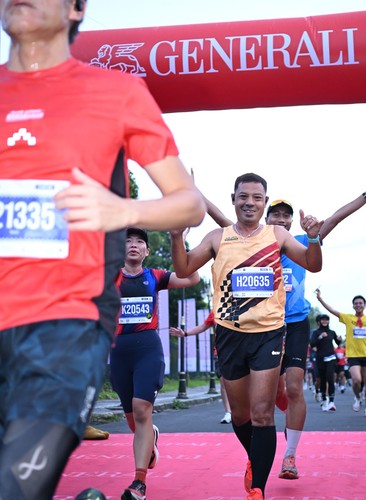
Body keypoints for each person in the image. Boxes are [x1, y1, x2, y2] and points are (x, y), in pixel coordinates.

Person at [0, 3, 205, 499]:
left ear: (76, 7)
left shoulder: (117, 93)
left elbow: (190, 203)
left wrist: (121, 210)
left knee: (16, 485)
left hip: (66, 323)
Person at [205, 173, 366, 479]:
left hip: (295, 323)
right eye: (275, 214)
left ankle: (289, 455)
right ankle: (267, 439)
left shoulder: (300, 242)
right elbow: (220, 217)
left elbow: (336, 218)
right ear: (266, 216)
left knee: (293, 388)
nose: (280, 219)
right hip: (262, 327)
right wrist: (193, 193)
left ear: (291, 221)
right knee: (275, 395)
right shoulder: (251, 240)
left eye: (285, 215)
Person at [169, 172, 323, 500]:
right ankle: (255, 458)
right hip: (229, 334)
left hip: (268, 333)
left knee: (262, 412)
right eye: (243, 197)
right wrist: (176, 236)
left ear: (264, 202)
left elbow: (313, 264)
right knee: (240, 415)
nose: (249, 202)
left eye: (256, 198)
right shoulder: (217, 237)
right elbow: (183, 269)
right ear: (234, 200)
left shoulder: (277, 235)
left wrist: (314, 239)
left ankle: (258, 489)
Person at [111, 228, 200, 500]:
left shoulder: (155, 276)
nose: (133, 245)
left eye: (140, 241)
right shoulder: (108, 277)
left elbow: (193, 277)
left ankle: (139, 483)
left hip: (148, 350)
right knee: (134, 421)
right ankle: (151, 437)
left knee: (142, 409)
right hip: (119, 353)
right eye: (127, 241)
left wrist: (181, 244)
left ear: (147, 251)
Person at [315, 288, 366, 417]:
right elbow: (332, 310)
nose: (358, 305)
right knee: (357, 380)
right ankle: (358, 397)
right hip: (353, 355)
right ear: (353, 306)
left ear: (364, 306)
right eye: (356, 303)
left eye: (360, 303)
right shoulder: (348, 318)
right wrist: (320, 299)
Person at [170, 310, 232, 424]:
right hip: (220, 352)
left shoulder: (240, 308)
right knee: (224, 382)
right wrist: (185, 333)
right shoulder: (215, 312)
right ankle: (228, 412)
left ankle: (243, 410)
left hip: (237, 351)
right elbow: (203, 327)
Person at [309, 315, 342, 411]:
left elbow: (338, 343)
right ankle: (324, 400)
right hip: (320, 358)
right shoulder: (316, 332)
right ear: (319, 321)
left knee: (330, 378)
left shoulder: (332, 332)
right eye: (322, 320)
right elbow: (312, 344)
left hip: (331, 357)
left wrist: (339, 340)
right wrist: (320, 337)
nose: (324, 321)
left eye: (326, 320)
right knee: (322, 380)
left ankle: (331, 401)